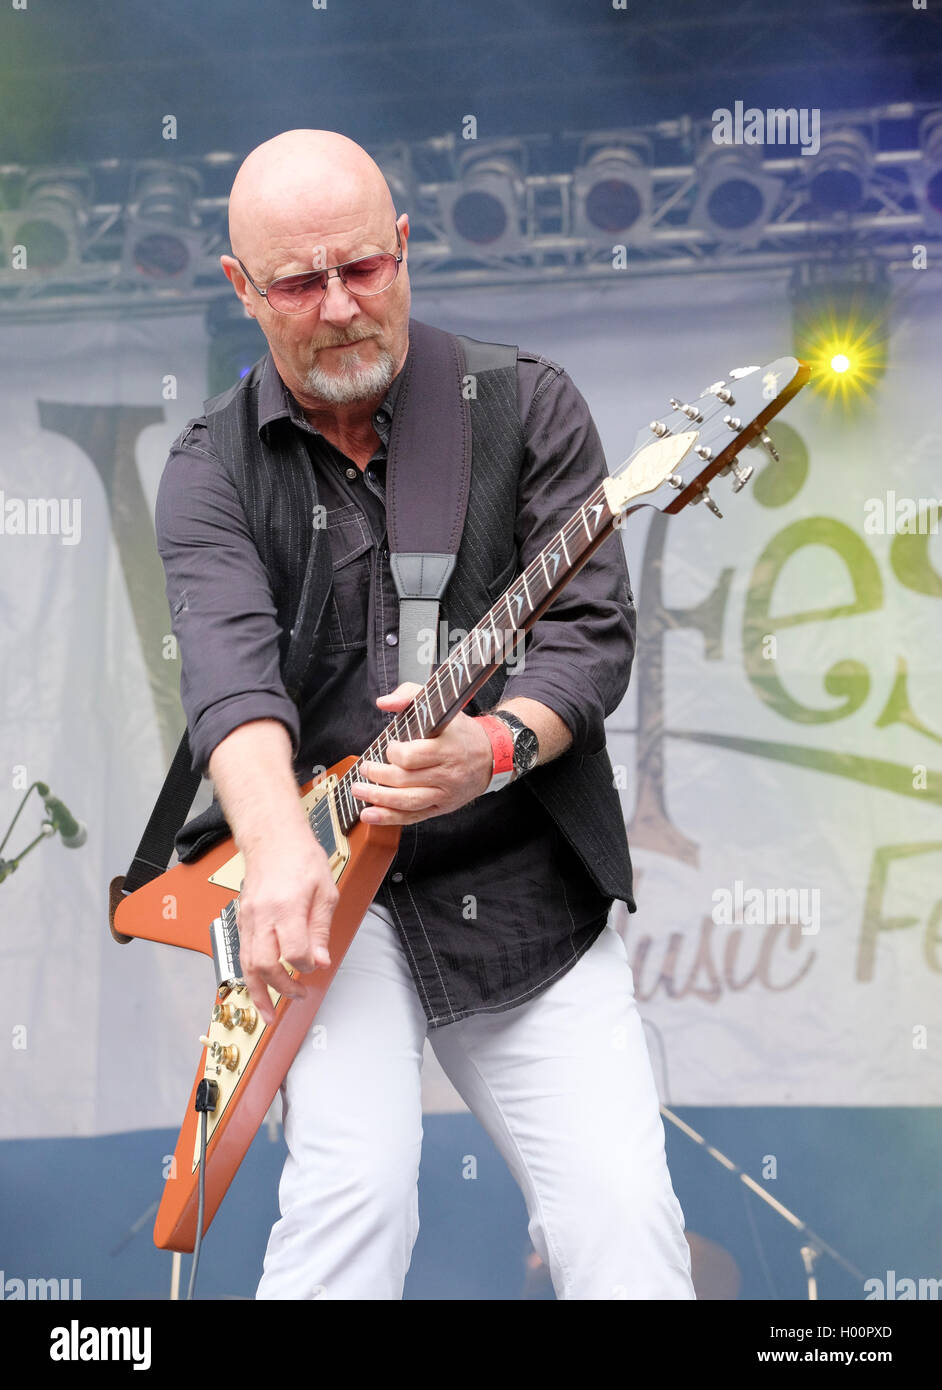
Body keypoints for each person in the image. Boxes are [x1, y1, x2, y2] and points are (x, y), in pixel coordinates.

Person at [155, 129, 695, 1301]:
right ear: (241, 289)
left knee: (622, 1215)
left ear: (404, 247)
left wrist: (494, 748)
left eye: (365, 267)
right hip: (326, 885)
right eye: (300, 282)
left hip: (519, 880)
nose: (342, 306)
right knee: (355, 1192)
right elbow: (229, 679)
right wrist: (283, 850)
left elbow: (588, 629)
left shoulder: (523, 403)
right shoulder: (210, 468)